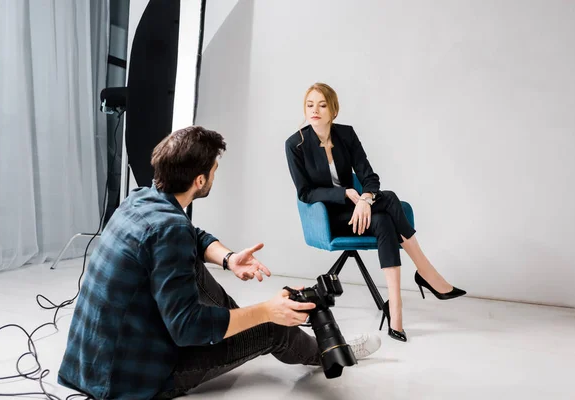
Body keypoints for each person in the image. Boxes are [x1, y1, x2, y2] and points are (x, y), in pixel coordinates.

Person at [58, 126, 381, 400]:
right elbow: (188, 329)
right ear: (200, 180)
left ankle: (234, 328)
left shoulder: (140, 198)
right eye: (213, 170)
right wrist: (266, 312)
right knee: (272, 329)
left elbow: (194, 237)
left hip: (89, 363)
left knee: (199, 269)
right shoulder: (170, 229)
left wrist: (228, 259)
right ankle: (325, 353)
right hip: (129, 381)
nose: (215, 175)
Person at [285, 83, 466, 343]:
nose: (314, 110)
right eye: (310, 105)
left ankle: (396, 314)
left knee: (383, 219)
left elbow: (369, 177)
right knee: (390, 199)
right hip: (329, 218)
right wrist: (344, 194)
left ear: (333, 110)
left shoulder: (346, 135)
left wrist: (365, 200)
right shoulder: (296, 144)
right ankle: (427, 275)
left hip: (359, 211)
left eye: (322, 105)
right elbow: (305, 192)